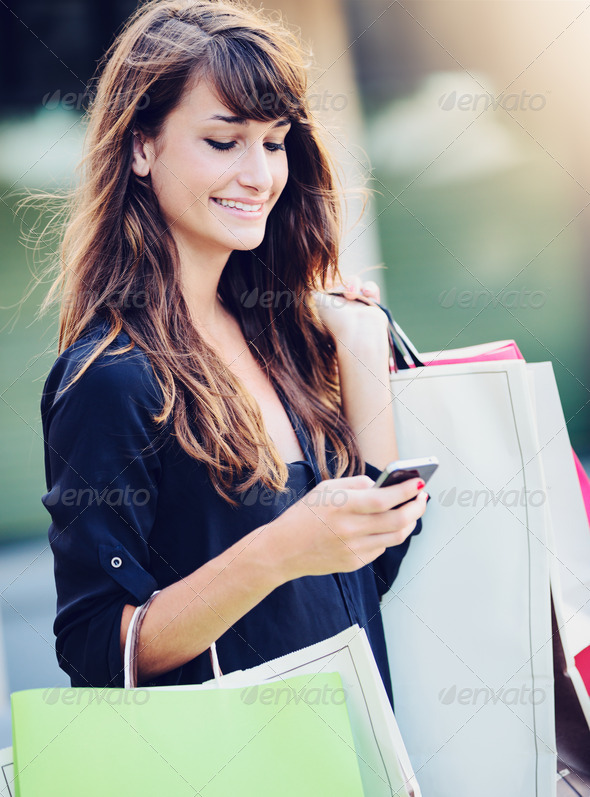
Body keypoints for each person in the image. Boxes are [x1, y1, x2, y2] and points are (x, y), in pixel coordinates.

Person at [40, 0, 428, 704]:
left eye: (275, 142)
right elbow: (97, 648)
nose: (260, 175)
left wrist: (363, 351)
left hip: (361, 758)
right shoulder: (113, 379)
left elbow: (367, 571)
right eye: (224, 142)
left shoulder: (286, 336)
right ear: (140, 146)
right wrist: (280, 548)